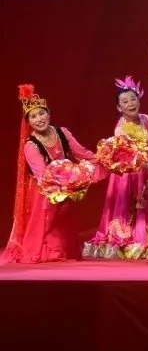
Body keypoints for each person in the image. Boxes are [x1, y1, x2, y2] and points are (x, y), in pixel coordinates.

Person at [83, 76, 148, 260]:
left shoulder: (147, 120)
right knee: (129, 210)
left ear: (139, 100)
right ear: (119, 107)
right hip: (128, 175)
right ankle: (129, 242)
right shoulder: (120, 129)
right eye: (125, 101)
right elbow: (136, 159)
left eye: (133, 99)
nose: (130, 103)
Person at [1, 85, 101, 264]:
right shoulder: (31, 146)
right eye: (33, 116)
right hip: (43, 191)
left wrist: (105, 158)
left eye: (42, 113)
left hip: (65, 184)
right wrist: (70, 180)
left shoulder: (62, 133)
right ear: (28, 122)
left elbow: (82, 154)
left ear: (49, 114)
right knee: (46, 225)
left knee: (64, 226)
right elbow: (43, 175)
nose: (39, 119)